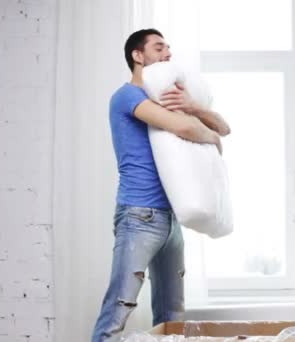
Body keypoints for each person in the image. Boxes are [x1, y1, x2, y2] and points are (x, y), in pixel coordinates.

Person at [92, 28, 230, 342]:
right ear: (137, 56)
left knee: (172, 319)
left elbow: (224, 126)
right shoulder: (128, 96)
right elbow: (183, 127)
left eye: (168, 48)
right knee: (117, 311)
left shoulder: (166, 98)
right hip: (139, 216)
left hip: (170, 219)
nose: (167, 53)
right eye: (158, 48)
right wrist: (209, 137)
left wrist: (194, 107)